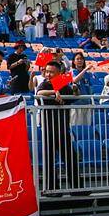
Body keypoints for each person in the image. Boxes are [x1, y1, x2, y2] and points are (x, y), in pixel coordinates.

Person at [34, 61, 80, 191]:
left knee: (71, 158)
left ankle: (77, 188)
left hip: (63, 129)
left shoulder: (63, 85)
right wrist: (54, 92)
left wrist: (75, 89)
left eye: (51, 72)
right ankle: (52, 189)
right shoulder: (45, 84)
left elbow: (75, 95)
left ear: (59, 74)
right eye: (47, 71)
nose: (48, 74)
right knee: (49, 160)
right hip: (49, 129)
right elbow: (39, 93)